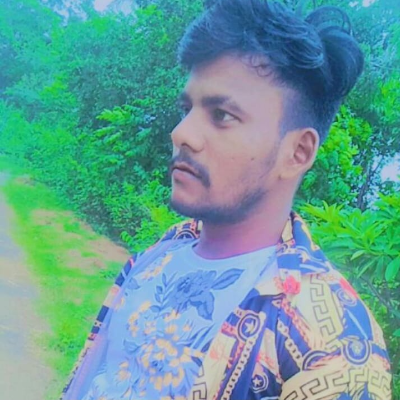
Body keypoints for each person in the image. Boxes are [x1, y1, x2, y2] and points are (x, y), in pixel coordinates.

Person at [61, 0, 392, 399]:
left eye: (221, 115)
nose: (181, 133)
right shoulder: (154, 258)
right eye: (187, 109)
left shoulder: (335, 344)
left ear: (297, 153)